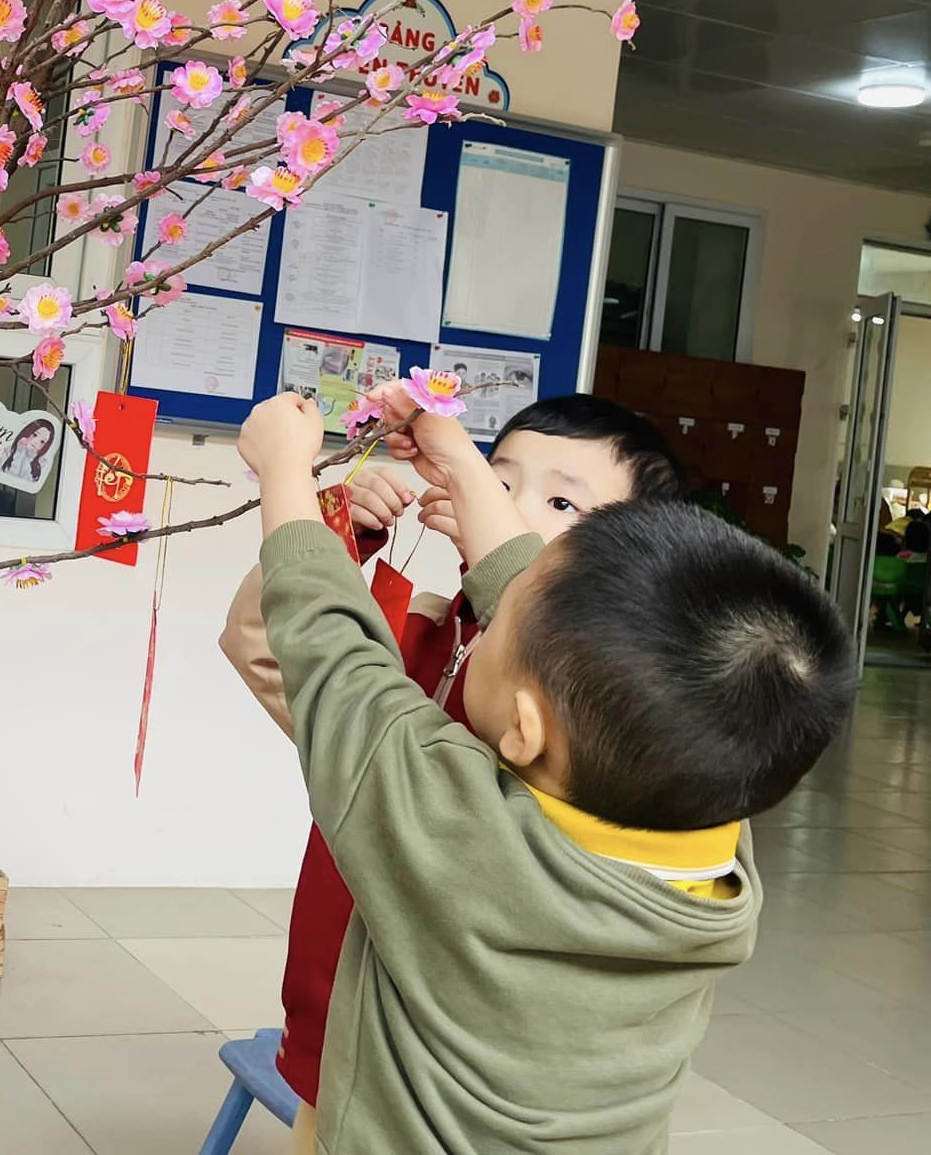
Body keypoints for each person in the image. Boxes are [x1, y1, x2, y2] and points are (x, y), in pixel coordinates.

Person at [235, 384, 852, 1153]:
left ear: (524, 732)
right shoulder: (710, 820)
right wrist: (463, 463)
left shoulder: (452, 825)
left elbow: (329, 651)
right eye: (503, 486)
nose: (495, 605)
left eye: (561, 506)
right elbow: (565, 617)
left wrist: (286, 475)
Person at [0, 418, 56, 485]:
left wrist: (30, 456)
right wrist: (19, 449)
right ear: (28, 432)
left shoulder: (42, 463)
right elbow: (2, 474)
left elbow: (27, 483)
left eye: (42, 441)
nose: (36, 442)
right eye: (35, 435)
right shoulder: (7, 451)